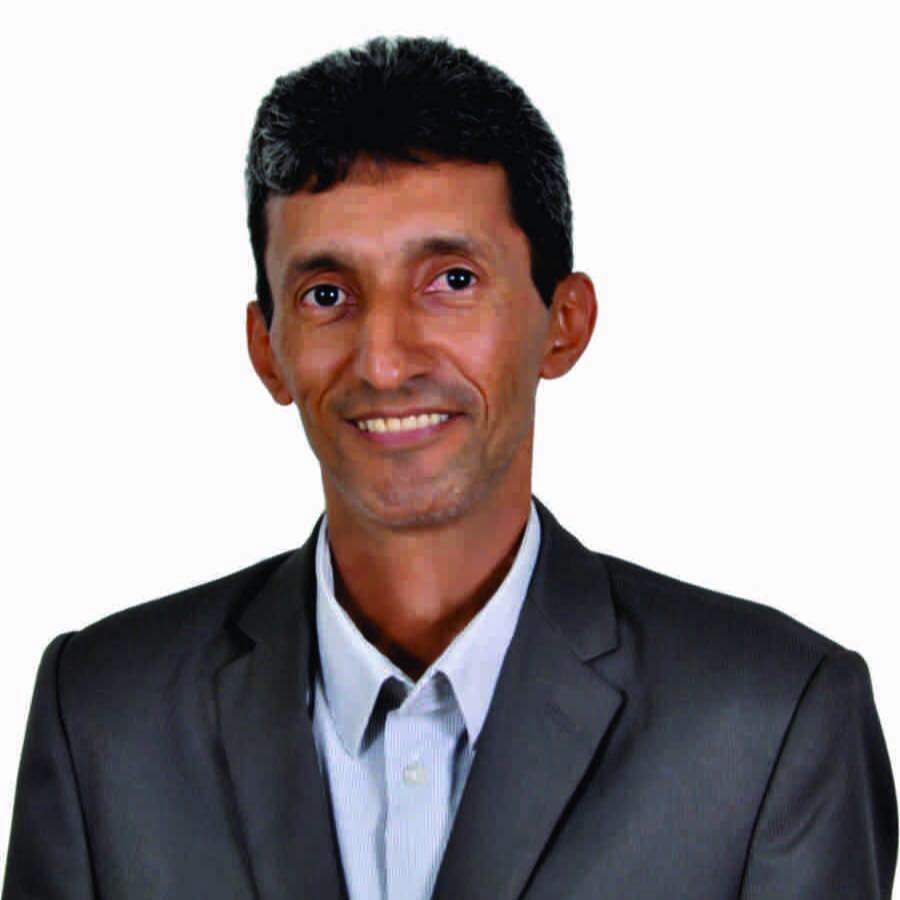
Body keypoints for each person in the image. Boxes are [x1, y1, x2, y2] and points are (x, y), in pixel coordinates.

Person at [2, 35, 896, 900]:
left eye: (453, 281)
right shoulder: (102, 717)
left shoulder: (774, 722)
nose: (385, 361)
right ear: (266, 349)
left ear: (565, 323)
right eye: (326, 294)